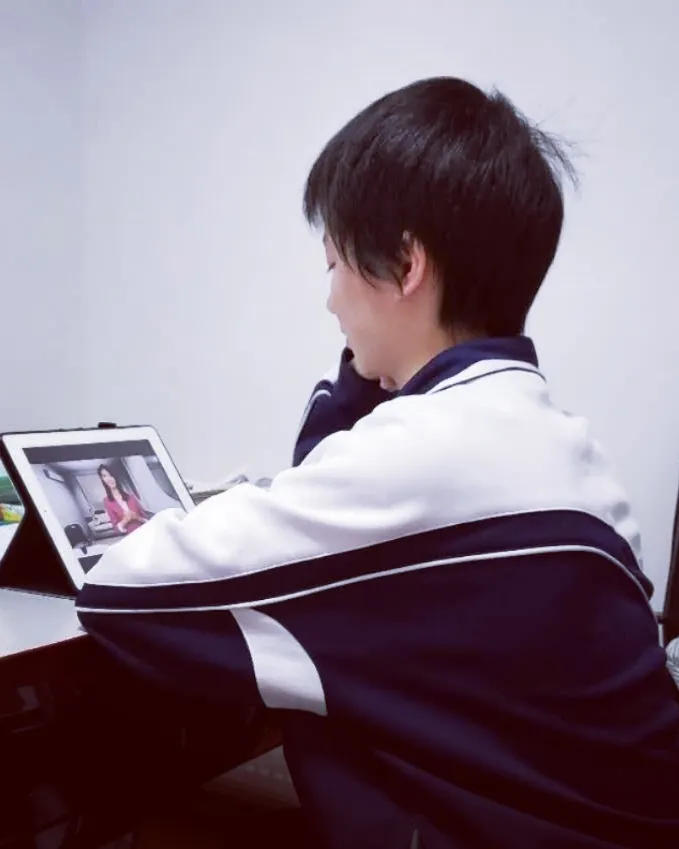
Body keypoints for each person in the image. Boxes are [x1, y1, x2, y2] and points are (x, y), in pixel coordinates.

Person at [76, 78, 679, 848]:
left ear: (404, 262)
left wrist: (352, 389)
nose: (329, 299)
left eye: (333, 262)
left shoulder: (422, 451)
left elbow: (121, 592)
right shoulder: (563, 442)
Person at [98, 464, 148, 536]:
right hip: (130, 537)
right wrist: (125, 520)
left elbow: (147, 519)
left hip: (145, 532)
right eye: (105, 476)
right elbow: (116, 529)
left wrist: (137, 517)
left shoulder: (131, 496)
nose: (109, 479)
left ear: (115, 476)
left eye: (111, 475)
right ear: (102, 479)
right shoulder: (106, 501)